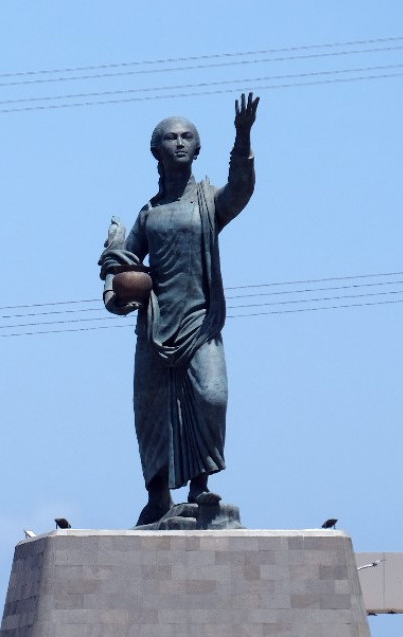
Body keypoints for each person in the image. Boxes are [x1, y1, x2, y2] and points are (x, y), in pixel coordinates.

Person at [99, 93, 259, 526]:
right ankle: (159, 498)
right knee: (152, 415)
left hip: (199, 323)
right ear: (157, 150)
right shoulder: (149, 215)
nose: (180, 143)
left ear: (198, 147)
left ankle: (200, 487)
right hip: (155, 329)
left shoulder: (208, 204)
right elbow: (123, 270)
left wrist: (242, 138)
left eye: (188, 136)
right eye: (170, 138)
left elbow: (240, 190)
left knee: (211, 396)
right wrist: (119, 297)